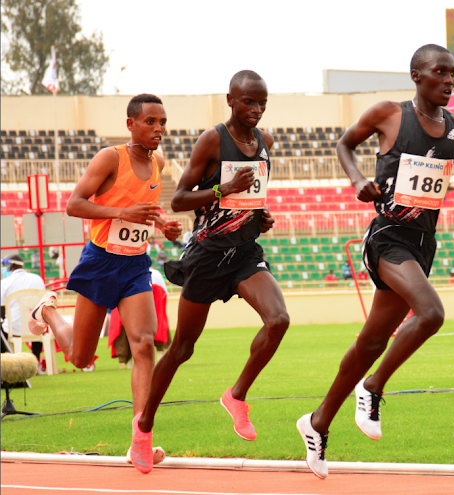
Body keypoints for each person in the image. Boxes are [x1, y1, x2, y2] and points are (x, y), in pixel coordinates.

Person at [296, 44, 454, 479]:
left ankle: (317, 423)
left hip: (423, 244)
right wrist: (359, 178)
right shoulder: (389, 114)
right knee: (432, 312)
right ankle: (372, 387)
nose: (450, 81)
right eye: (441, 72)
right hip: (387, 238)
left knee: (370, 342)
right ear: (417, 75)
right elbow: (344, 144)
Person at [137, 70, 289, 474]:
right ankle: (144, 427)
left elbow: (251, 199)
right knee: (182, 349)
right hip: (206, 255)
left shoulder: (265, 143)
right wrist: (226, 190)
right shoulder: (212, 139)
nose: (255, 110)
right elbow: (180, 200)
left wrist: (259, 217)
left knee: (279, 320)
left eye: (261, 103)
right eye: (247, 102)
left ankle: (237, 396)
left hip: (243, 253)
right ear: (230, 100)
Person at [27, 93, 182, 473]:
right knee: (81, 358)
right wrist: (120, 211)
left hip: (134, 266)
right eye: (150, 122)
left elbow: (146, 210)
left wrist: (163, 224)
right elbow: (75, 204)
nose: (158, 128)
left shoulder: (159, 163)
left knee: (144, 344)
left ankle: (140, 439)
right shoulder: (110, 158)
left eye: (162, 122)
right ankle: (47, 310)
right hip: (99, 263)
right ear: (131, 124)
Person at [1, 255, 47, 372]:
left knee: (3, 328)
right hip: (37, 327)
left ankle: (7, 364)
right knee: (38, 324)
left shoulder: (5, 283)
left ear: (11, 266)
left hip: (13, 327)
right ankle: (35, 360)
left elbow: (1, 311)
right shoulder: (37, 279)